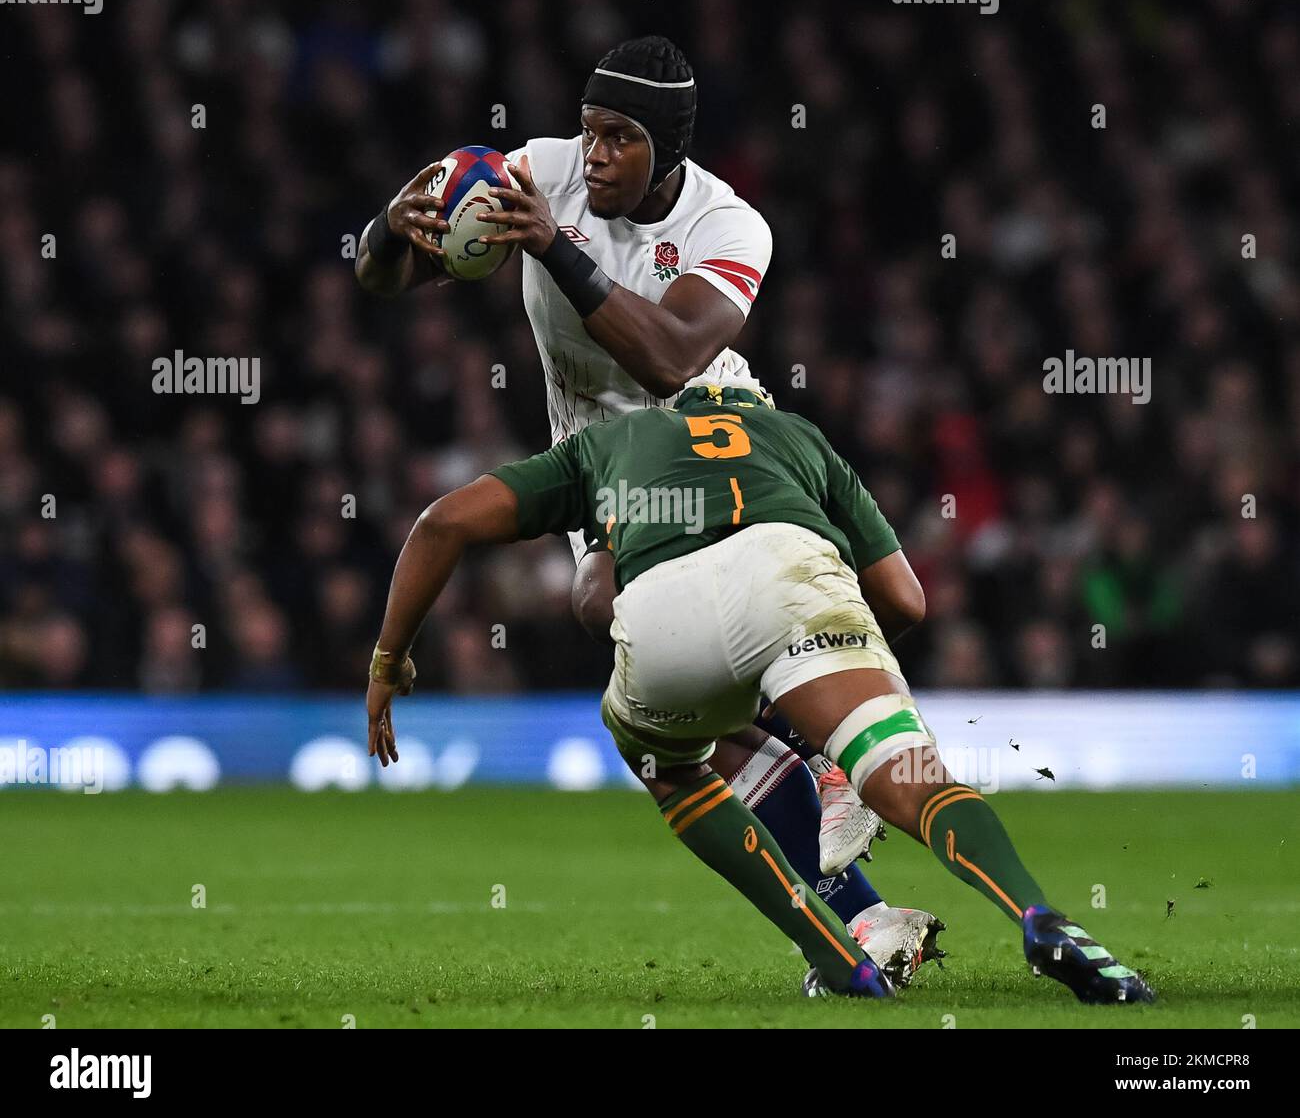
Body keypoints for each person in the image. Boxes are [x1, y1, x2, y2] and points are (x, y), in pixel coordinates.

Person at [354, 34, 942, 981]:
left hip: (712, 437)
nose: (592, 158)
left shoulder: (731, 225)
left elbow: (671, 356)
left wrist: (552, 243)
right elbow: (382, 280)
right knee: (647, 667)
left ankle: (836, 756)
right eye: (587, 132)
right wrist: (390, 229)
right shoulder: (536, 174)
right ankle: (860, 904)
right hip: (599, 463)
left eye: (619, 138)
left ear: (669, 149)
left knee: (620, 613)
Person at [364, 374, 1154, 1005]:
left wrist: (389, 656)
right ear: (755, 403)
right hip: (792, 573)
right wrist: (834, 681)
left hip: (663, 606)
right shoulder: (798, 437)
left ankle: (837, 954)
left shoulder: (609, 440)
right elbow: (909, 600)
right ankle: (1037, 913)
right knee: (911, 775)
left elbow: (443, 522)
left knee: (669, 762)